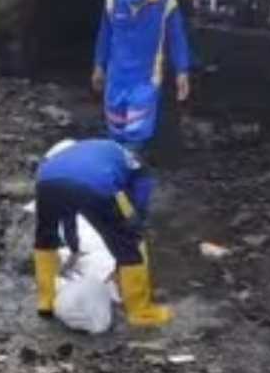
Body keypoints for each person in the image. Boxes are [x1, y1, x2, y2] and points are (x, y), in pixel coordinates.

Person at [32, 138, 171, 327]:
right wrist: (135, 224)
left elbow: (67, 215)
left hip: (46, 182)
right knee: (128, 245)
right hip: (95, 183)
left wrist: (74, 247)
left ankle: (46, 301)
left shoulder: (75, 153)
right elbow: (140, 199)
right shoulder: (136, 165)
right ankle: (140, 312)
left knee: (45, 238)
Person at [92, 0, 191, 153]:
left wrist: (182, 71)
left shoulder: (166, 4)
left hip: (146, 78)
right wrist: (99, 65)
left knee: (137, 130)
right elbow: (104, 36)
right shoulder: (112, 2)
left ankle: (131, 167)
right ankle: (120, 165)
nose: (132, 2)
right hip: (116, 76)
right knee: (116, 127)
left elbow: (177, 39)